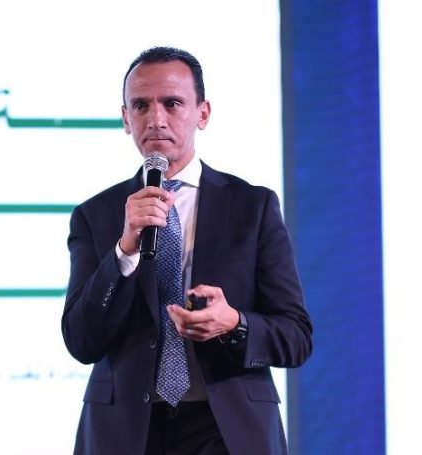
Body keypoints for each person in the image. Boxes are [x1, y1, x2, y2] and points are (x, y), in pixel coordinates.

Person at [61, 46, 312, 455]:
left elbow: (296, 336)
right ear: (125, 118)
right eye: (140, 105)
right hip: (127, 432)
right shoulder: (96, 215)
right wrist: (124, 252)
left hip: (227, 430)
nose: (156, 119)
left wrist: (234, 324)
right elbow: (81, 340)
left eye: (172, 103)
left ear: (203, 113)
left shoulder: (252, 207)